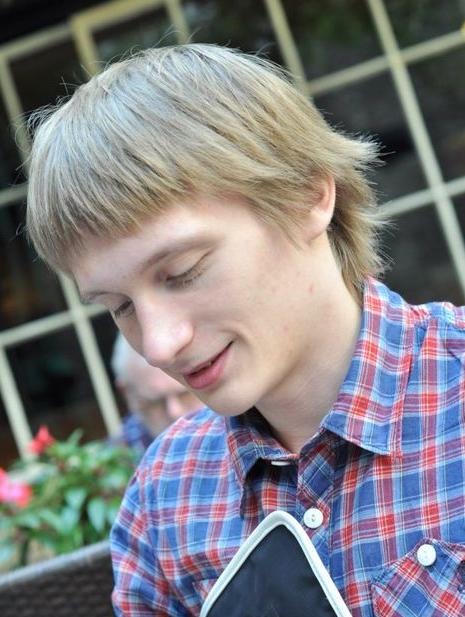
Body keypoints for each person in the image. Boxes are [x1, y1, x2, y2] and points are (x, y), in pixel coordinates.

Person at [25, 44, 465, 617]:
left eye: (183, 272)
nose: (158, 344)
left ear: (308, 195)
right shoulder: (164, 500)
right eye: (119, 307)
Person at [111, 332, 204, 458]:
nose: (175, 412)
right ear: (126, 394)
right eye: (155, 402)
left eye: (186, 394)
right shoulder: (114, 461)